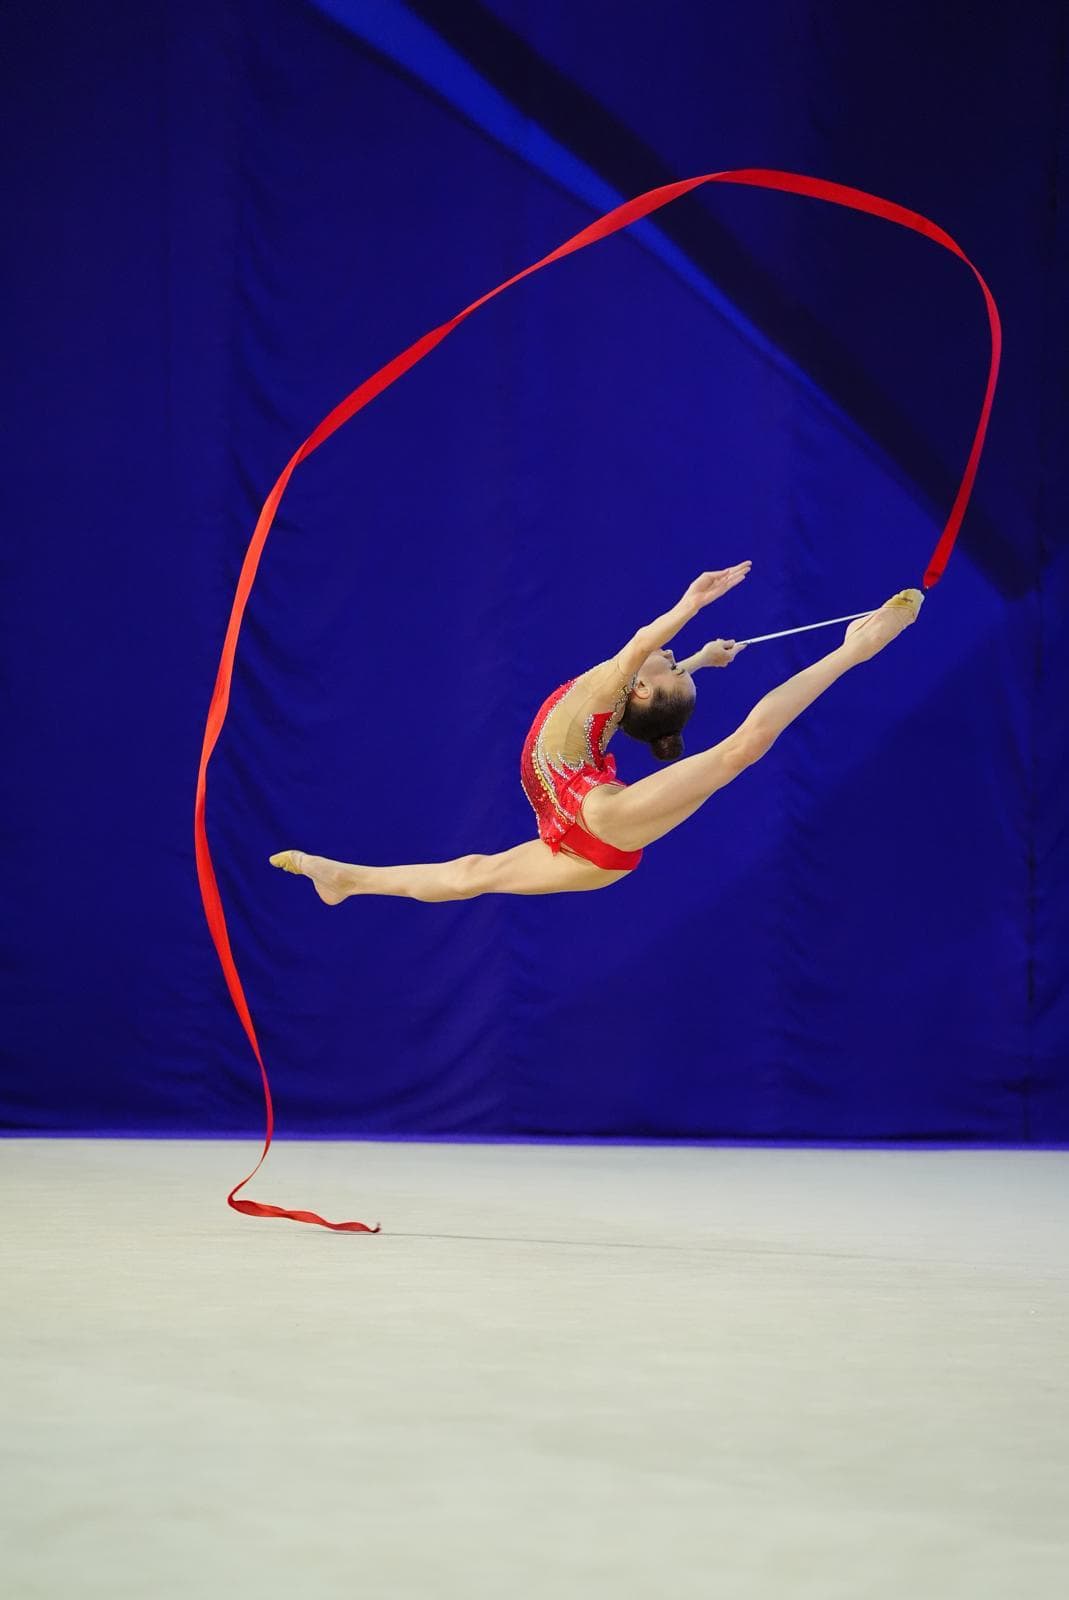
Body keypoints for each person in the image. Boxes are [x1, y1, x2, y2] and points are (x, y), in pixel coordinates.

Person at [269, 563, 922, 902]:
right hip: (577, 840)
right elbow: (655, 670)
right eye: (678, 662)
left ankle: (851, 651)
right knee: (469, 875)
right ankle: (346, 879)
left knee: (740, 750)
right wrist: (699, 661)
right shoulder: (612, 702)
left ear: (640, 687)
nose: (674, 657)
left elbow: (644, 644)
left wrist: (690, 605)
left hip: (595, 823)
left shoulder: (609, 686)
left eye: (672, 666)